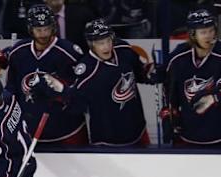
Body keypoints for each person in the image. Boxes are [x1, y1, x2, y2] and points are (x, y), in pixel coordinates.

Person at [31, 18, 159, 146]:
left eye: (108, 40)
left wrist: (149, 72)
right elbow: (77, 104)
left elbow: (140, 72)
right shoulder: (86, 70)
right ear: (91, 44)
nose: (107, 46)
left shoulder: (124, 50)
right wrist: (60, 91)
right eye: (101, 43)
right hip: (107, 140)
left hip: (138, 131)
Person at [6, 4, 87, 145]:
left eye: (47, 29)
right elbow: (11, 89)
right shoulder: (18, 52)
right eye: (38, 30)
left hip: (67, 131)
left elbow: (82, 95)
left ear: (53, 27)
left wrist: (60, 92)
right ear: (30, 29)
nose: (43, 34)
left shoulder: (70, 53)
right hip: (29, 130)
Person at [163, 9, 221, 146]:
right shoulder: (178, 57)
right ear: (192, 34)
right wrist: (168, 115)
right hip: (188, 135)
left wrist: (215, 97)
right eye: (203, 32)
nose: (208, 36)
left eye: (211, 30)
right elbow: (169, 90)